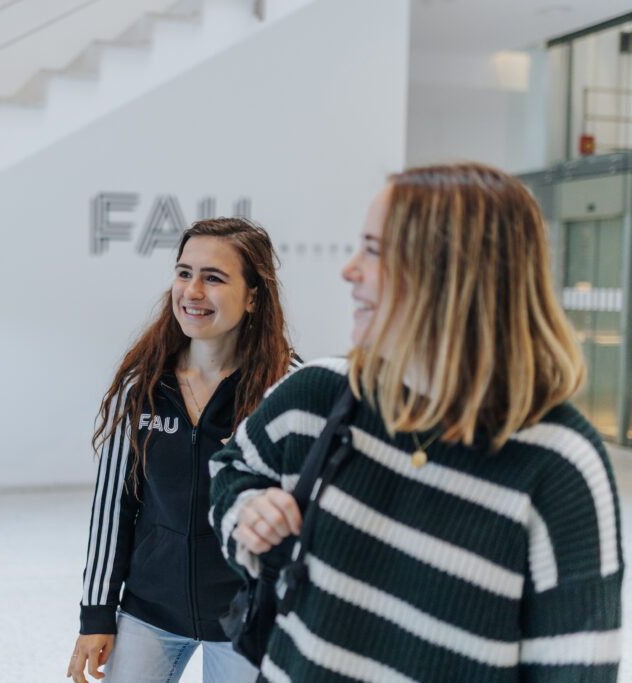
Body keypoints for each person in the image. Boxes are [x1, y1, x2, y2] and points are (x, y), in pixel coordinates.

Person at [210, 162, 625, 681]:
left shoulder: (559, 468)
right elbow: (230, 470)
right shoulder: (319, 396)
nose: (349, 270)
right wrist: (248, 513)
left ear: (453, 274)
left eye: (375, 251)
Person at [66, 218, 300, 683]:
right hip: (149, 610)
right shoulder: (143, 386)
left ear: (253, 296)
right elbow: (114, 507)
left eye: (213, 278)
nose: (192, 291)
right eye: (183, 272)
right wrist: (96, 614)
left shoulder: (287, 390)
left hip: (245, 617)